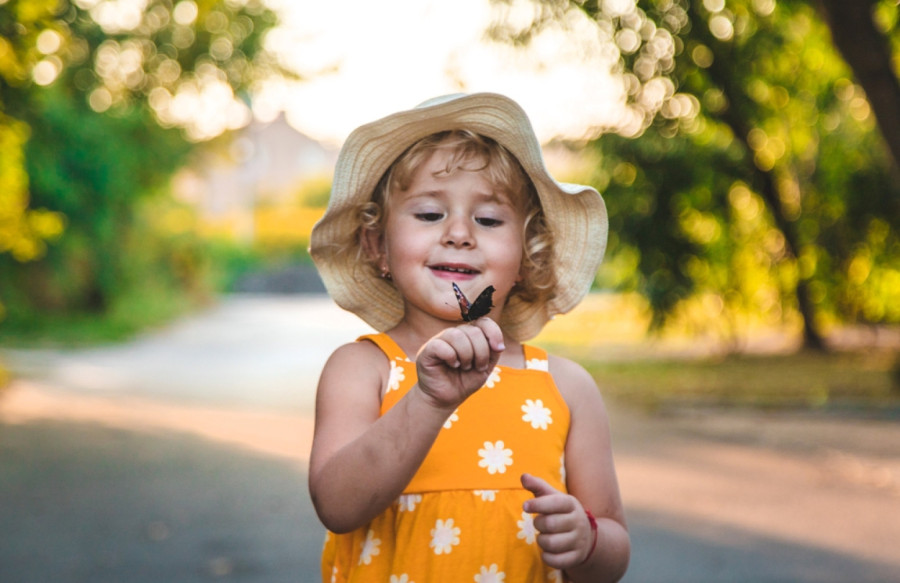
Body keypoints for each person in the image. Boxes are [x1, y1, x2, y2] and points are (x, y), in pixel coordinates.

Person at [308, 93, 629, 583]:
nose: (459, 233)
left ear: (528, 255)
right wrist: (429, 401)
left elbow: (613, 550)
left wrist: (585, 540)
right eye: (429, 214)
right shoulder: (364, 369)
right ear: (378, 247)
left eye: (489, 220)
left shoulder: (566, 387)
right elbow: (336, 505)